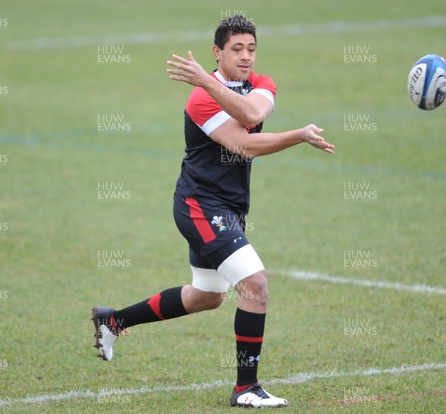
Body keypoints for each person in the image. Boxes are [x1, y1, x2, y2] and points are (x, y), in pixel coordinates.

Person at [91, 14, 334, 408]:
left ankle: (112, 320)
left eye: (251, 49)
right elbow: (243, 144)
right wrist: (298, 135)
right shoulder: (200, 97)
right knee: (255, 286)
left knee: (207, 296)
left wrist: (211, 81)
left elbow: (253, 114)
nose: (246, 57)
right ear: (216, 52)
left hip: (229, 206)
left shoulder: (261, 84)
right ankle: (246, 388)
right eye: (236, 49)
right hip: (200, 206)